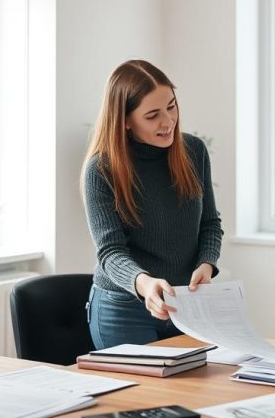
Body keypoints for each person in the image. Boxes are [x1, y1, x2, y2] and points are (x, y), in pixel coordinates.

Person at [82, 59, 223, 349]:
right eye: (152, 115)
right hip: (123, 311)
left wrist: (207, 263)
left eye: (171, 106)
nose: (168, 121)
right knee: (142, 395)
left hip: (185, 306)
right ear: (124, 119)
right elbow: (110, 252)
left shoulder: (193, 151)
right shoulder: (101, 169)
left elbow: (210, 223)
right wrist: (144, 284)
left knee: (197, 392)